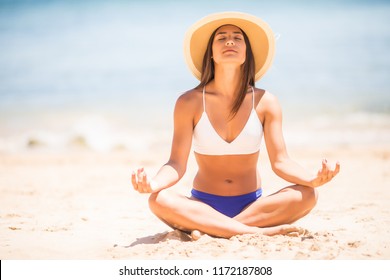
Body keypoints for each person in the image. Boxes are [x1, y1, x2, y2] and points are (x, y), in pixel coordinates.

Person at [131, 12, 340, 239]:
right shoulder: (189, 102)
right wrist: (153, 184)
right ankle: (252, 232)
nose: (229, 41)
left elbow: (281, 162)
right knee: (158, 199)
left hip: (251, 207)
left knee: (309, 194)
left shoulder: (266, 102)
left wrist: (311, 179)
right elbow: (176, 163)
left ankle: (214, 229)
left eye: (237, 38)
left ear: (246, 54)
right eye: (221, 38)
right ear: (210, 53)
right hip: (202, 205)